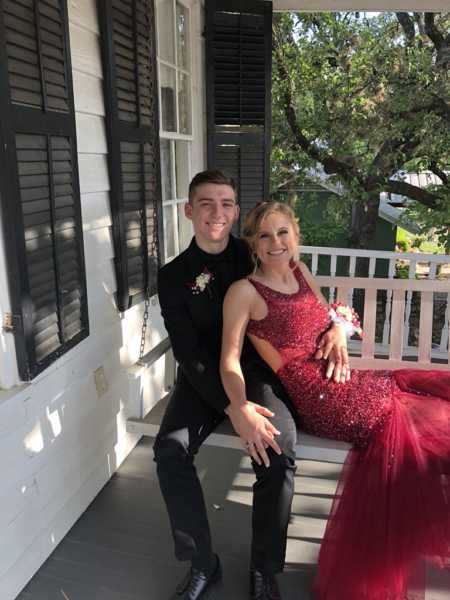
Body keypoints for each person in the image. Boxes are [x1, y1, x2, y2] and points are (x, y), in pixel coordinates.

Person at [220, 201, 450, 600]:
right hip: (325, 399)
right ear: (253, 244)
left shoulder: (300, 271)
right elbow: (229, 360)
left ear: (296, 234)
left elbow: (329, 318)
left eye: (283, 232)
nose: (276, 242)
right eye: (265, 235)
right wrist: (239, 405)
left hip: (354, 381)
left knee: (438, 416)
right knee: (435, 428)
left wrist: (339, 331)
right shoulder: (244, 292)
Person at [154, 171, 348, 600]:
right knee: (169, 449)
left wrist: (336, 327)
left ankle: (265, 568)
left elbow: (305, 297)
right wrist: (232, 408)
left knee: (277, 452)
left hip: (258, 374)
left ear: (236, 211)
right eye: (206, 204)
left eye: (226, 203)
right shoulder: (172, 277)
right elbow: (187, 352)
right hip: (203, 378)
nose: (216, 213)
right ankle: (203, 563)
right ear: (189, 211)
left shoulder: (257, 248)